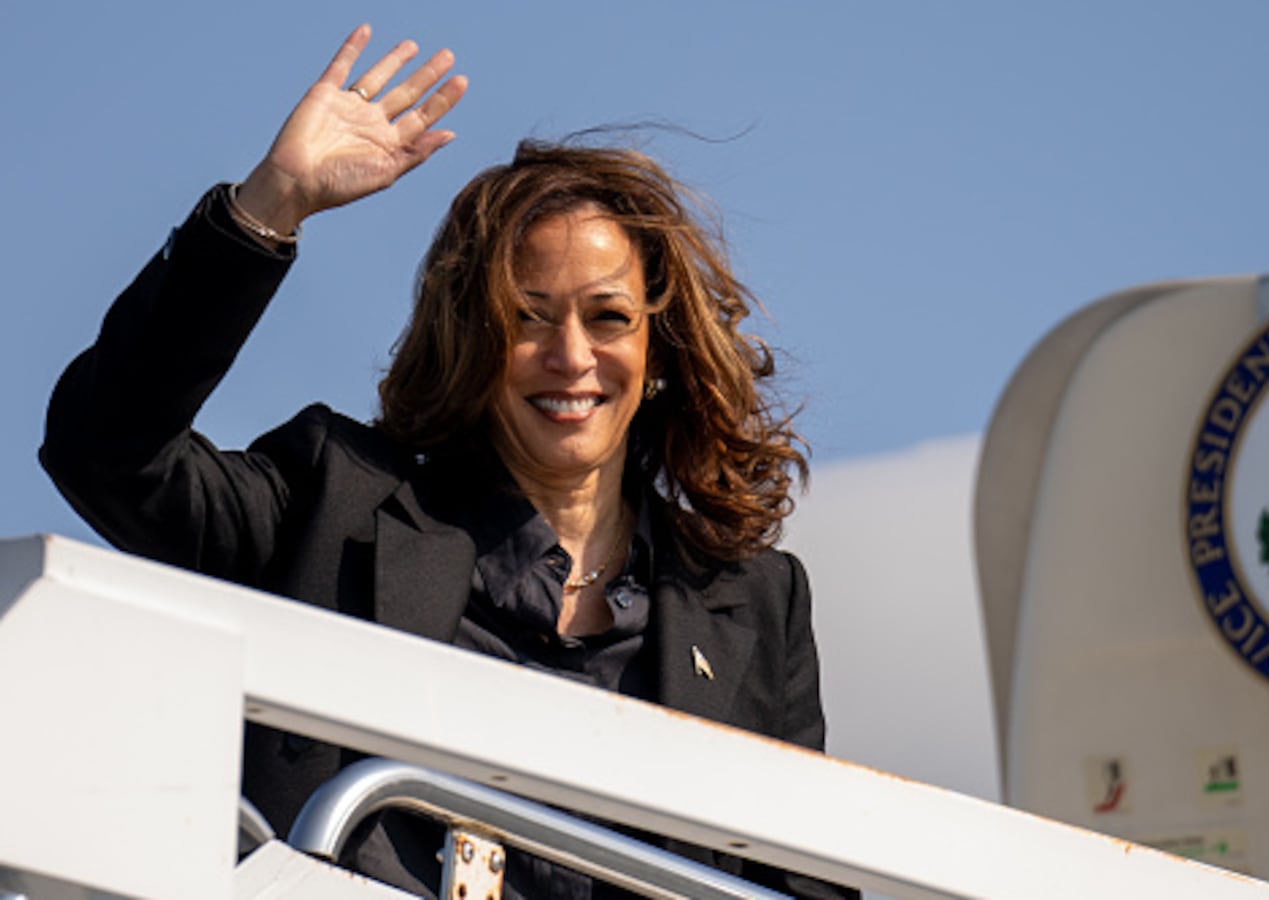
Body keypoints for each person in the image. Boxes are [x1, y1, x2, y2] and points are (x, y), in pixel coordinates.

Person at [41, 25, 852, 899]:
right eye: (528, 316)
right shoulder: (335, 504)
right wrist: (271, 202)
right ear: (474, 339)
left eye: (608, 317)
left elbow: (802, 879)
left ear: (658, 353)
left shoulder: (755, 606)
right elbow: (106, 449)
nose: (571, 356)